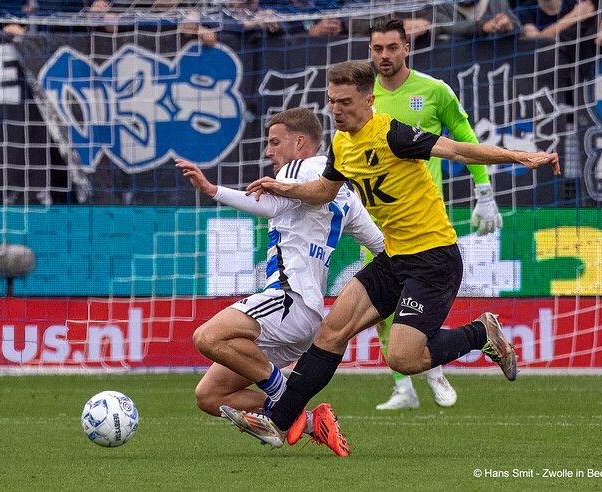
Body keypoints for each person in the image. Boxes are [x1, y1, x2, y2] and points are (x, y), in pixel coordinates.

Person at [220, 60, 560, 452]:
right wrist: (286, 189)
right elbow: (326, 190)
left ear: (369, 100)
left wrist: (520, 157)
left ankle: (481, 332)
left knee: (402, 358)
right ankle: (277, 422)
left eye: (345, 102)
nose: (336, 110)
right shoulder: (342, 144)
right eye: (331, 101)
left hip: (433, 260)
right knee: (332, 331)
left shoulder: (393, 135)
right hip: (394, 257)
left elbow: (458, 151)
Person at [177, 107, 384, 456]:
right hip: (304, 318)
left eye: (275, 142)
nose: (269, 151)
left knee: (207, 336)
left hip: (288, 300)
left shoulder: (301, 169)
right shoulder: (344, 192)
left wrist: (214, 191)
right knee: (210, 396)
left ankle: (284, 395)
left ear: (300, 142)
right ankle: (308, 419)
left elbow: (269, 206)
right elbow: (382, 247)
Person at [368, 18, 503, 410]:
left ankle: (431, 364)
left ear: (407, 47)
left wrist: (483, 190)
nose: (384, 56)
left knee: (417, 298)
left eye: (392, 47)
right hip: (377, 218)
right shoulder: (363, 97)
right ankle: (403, 387)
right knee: (379, 307)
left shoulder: (433, 91)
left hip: (423, 219)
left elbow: (464, 137)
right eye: (377, 49)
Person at [434, 0, 521, 38]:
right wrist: (483, 27)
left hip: (490, 69)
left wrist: (510, 26)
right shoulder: (437, 5)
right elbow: (447, 27)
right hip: (449, 65)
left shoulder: (497, 2)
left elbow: (518, 29)